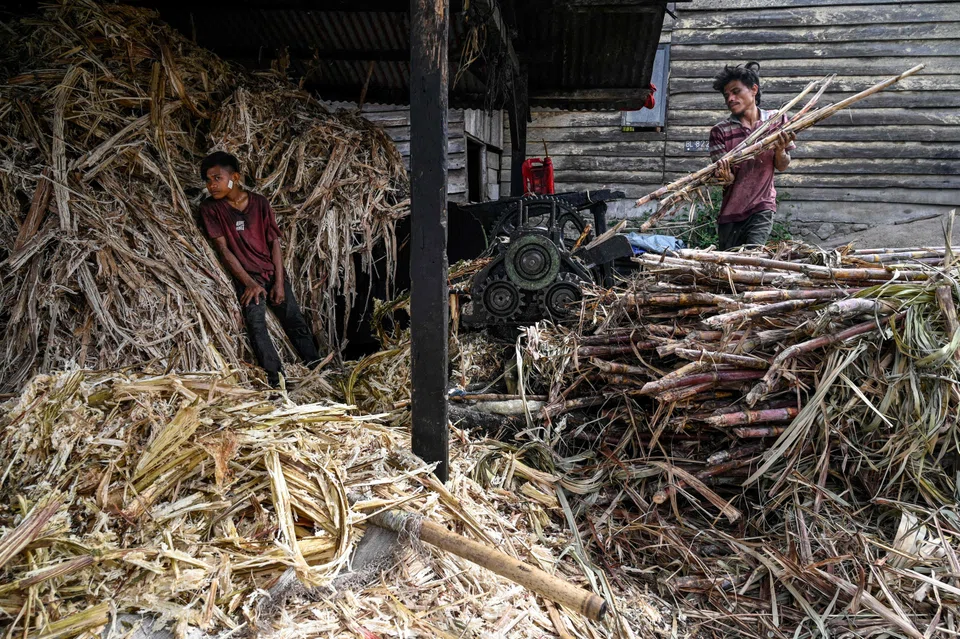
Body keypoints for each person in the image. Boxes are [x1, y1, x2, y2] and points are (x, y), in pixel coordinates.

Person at [199, 151, 320, 387]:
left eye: (217, 178)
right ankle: (277, 379)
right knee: (256, 326)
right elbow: (224, 250)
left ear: (235, 176)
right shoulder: (210, 209)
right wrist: (249, 282)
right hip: (247, 278)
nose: (211, 185)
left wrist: (278, 281)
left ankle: (317, 367)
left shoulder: (259, 203)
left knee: (294, 319)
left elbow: (274, 242)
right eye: (208, 180)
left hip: (272, 273)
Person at [708, 62, 796, 250]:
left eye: (736, 91)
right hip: (730, 214)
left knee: (752, 260)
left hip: (762, 206)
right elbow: (727, 179)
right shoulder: (719, 131)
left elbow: (782, 165)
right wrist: (725, 175)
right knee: (729, 267)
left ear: (754, 90)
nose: (730, 98)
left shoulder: (776, 121)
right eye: (727, 95)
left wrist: (780, 150)